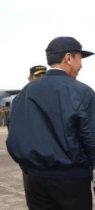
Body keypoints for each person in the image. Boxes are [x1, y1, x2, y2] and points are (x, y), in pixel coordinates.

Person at [6, 36, 95, 210]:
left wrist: (28, 167)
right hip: (70, 180)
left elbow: (15, 134)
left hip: (34, 180)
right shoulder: (81, 92)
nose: (81, 64)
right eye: (80, 57)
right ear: (68, 58)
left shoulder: (25, 93)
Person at [7, 65, 47, 208]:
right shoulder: (20, 100)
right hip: (33, 165)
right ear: (30, 79)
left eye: (44, 76)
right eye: (38, 76)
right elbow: (14, 134)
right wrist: (25, 161)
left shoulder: (54, 97)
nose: (41, 79)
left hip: (56, 166)